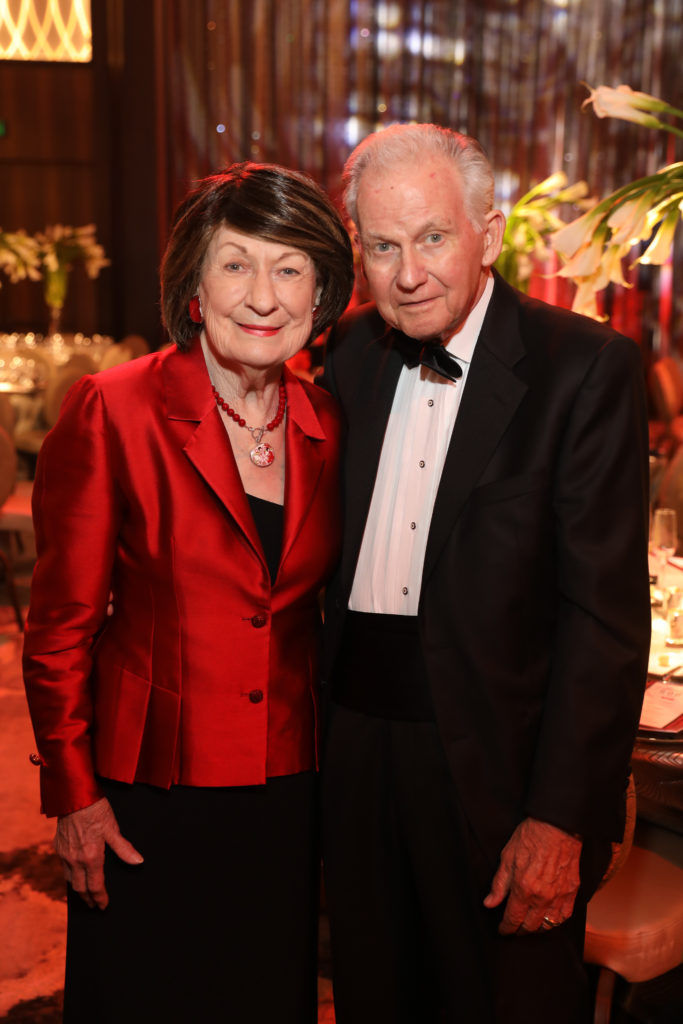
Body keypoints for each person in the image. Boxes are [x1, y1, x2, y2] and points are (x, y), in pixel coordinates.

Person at [320, 123, 651, 1023]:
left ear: (488, 235)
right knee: (373, 994)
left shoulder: (582, 368)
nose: (409, 271)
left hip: (498, 773)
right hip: (353, 748)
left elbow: (604, 624)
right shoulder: (345, 356)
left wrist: (558, 818)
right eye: (382, 247)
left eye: (431, 238)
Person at [22, 161, 354, 1024]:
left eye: (290, 269)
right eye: (236, 263)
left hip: (285, 790)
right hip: (146, 796)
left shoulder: (327, 424)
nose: (263, 295)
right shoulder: (113, 408)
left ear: (320, 296)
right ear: (195, 286)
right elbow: (59, 628)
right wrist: (72, 791)